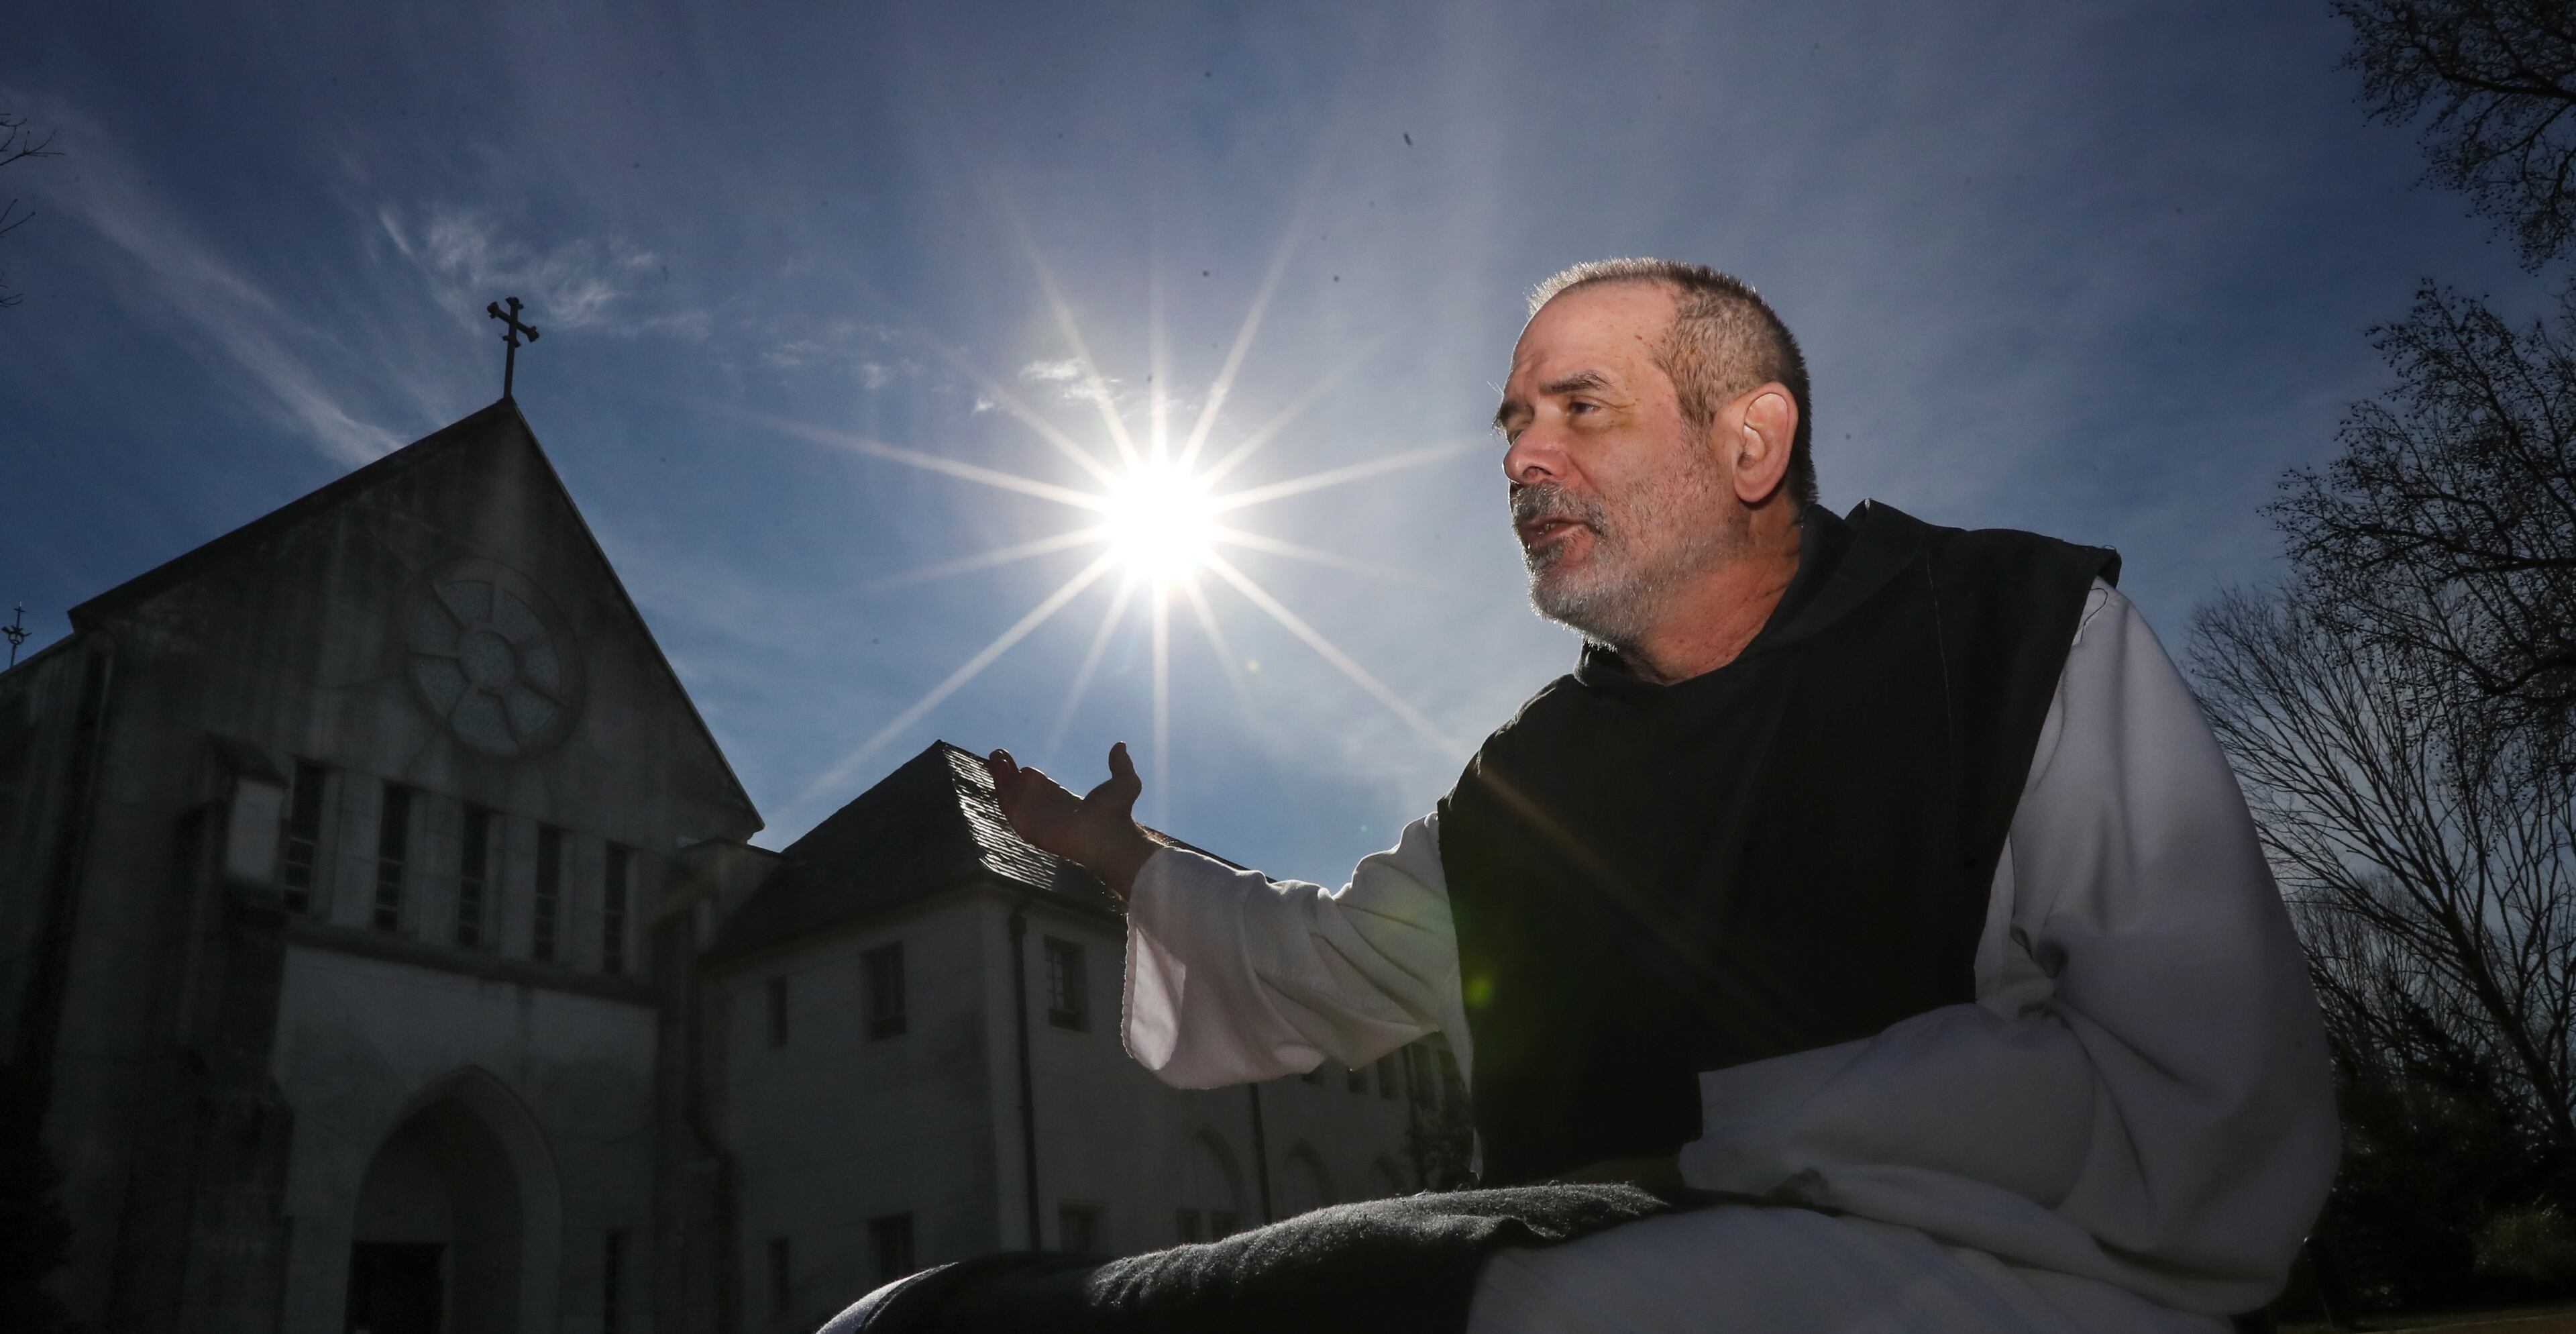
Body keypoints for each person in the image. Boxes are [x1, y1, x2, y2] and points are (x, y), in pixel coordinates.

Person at [861, 260, 2338, 1333]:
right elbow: (1325, 961)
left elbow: (2203, 1101)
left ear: (1749, 441)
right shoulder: (1526, 789)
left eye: (1581, 405)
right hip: (1573, 1260)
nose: (1521, 456)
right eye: (1511, 419)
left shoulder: (2014, 638)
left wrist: (1717, 1150)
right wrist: (1122, 860)